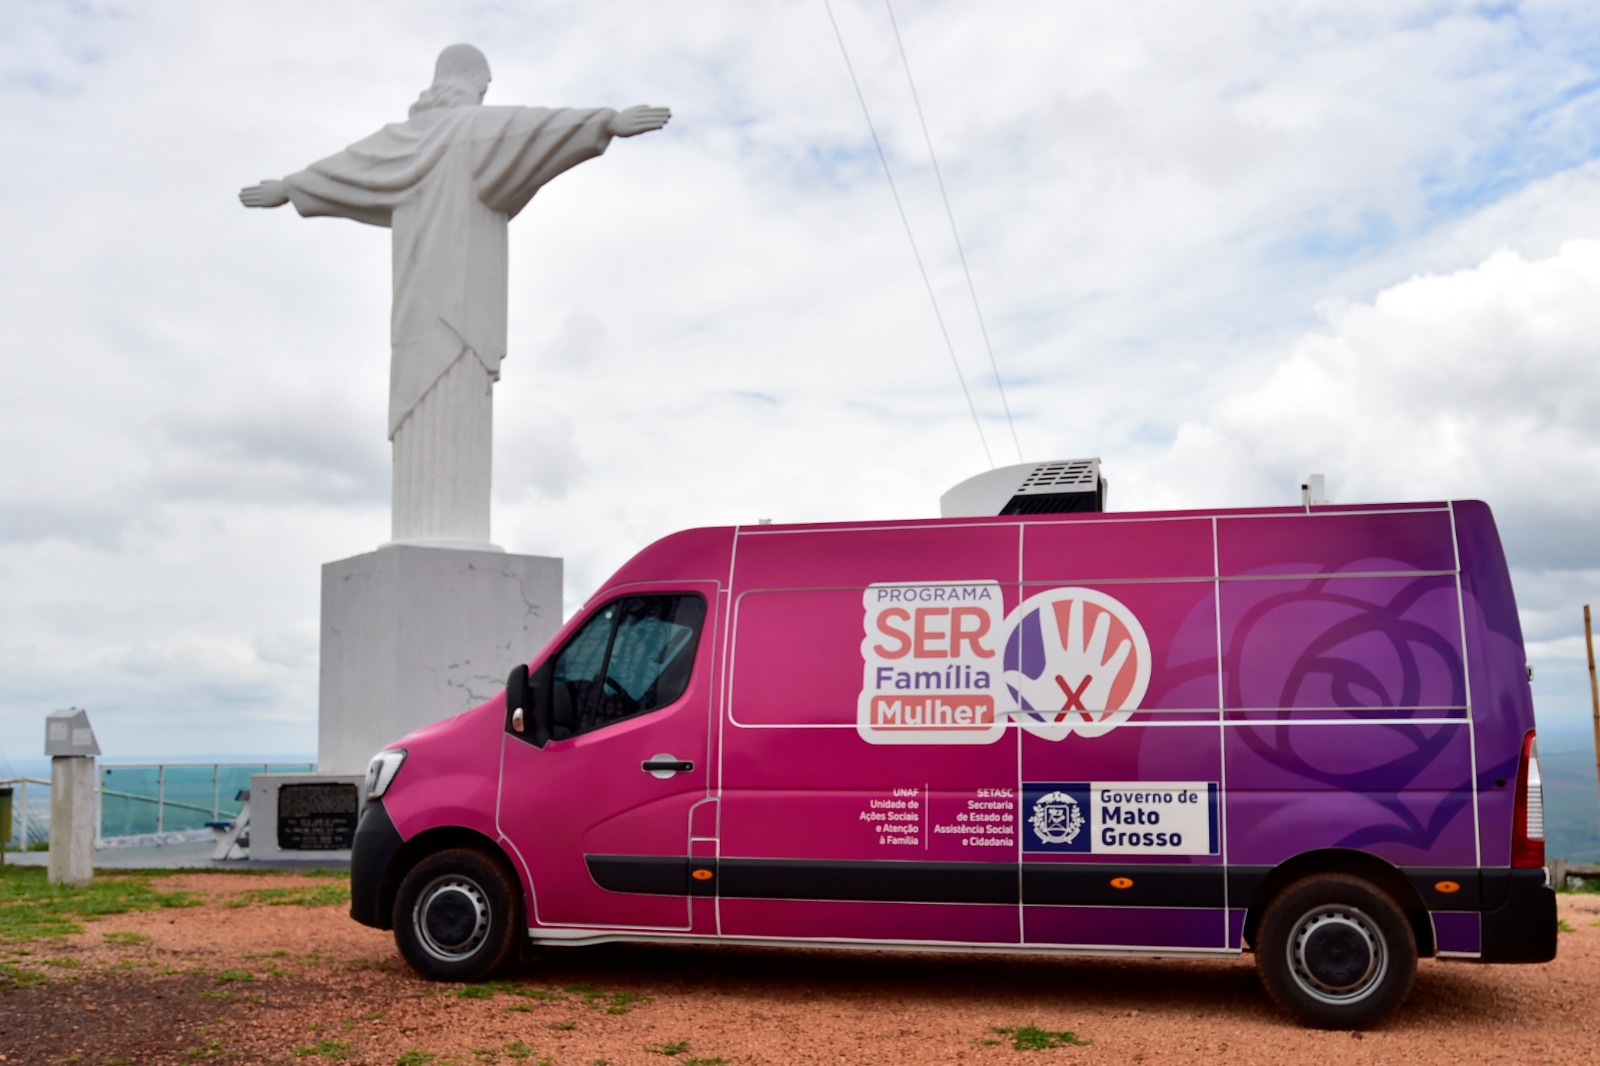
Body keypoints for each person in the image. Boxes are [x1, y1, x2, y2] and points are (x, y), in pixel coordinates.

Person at [241, 44, 669, 546]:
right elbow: (537, 129)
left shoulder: (404, 140)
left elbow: (346, 168)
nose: (486, 94)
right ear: (476, 82)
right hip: (461, 306)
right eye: (484, 85)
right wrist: (606, 123)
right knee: (444, 391)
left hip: (418, 305)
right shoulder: (472, 130)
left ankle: (431, 535)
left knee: (436, 396)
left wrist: (291, 188)